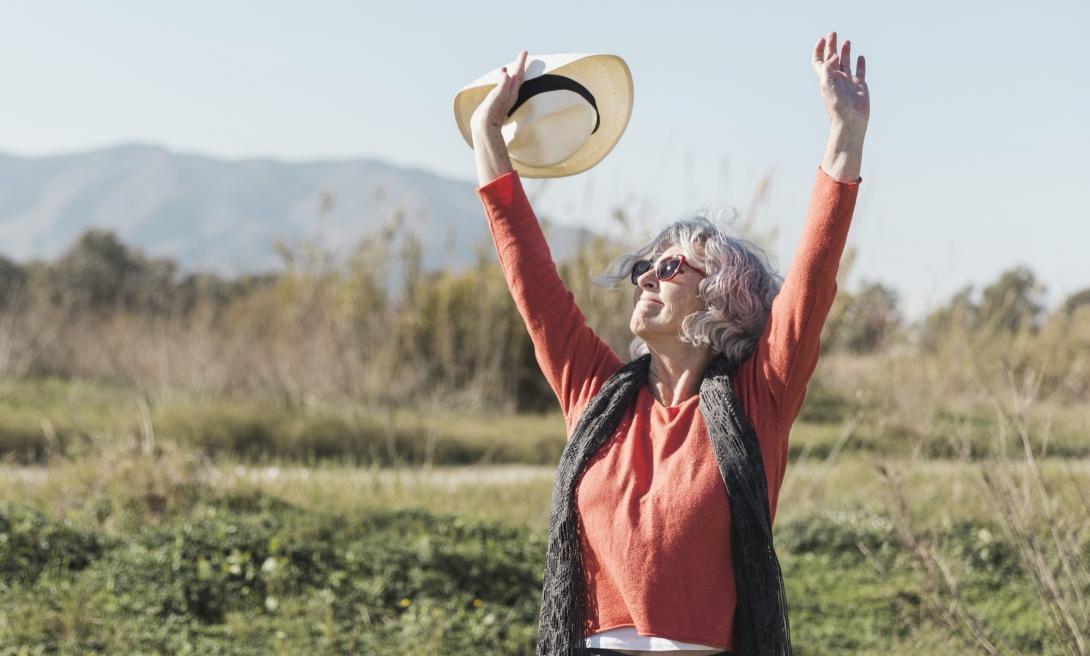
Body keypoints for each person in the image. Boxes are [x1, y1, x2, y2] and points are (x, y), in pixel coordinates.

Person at [470, 31, 868, 656]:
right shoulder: (597, 398)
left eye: (672, 267)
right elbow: (533, 285)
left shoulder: (758, 399)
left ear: (724, 298)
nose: (648, 277)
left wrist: (845, 133)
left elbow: (812, 283)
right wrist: (489, 139)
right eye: (643, 269)